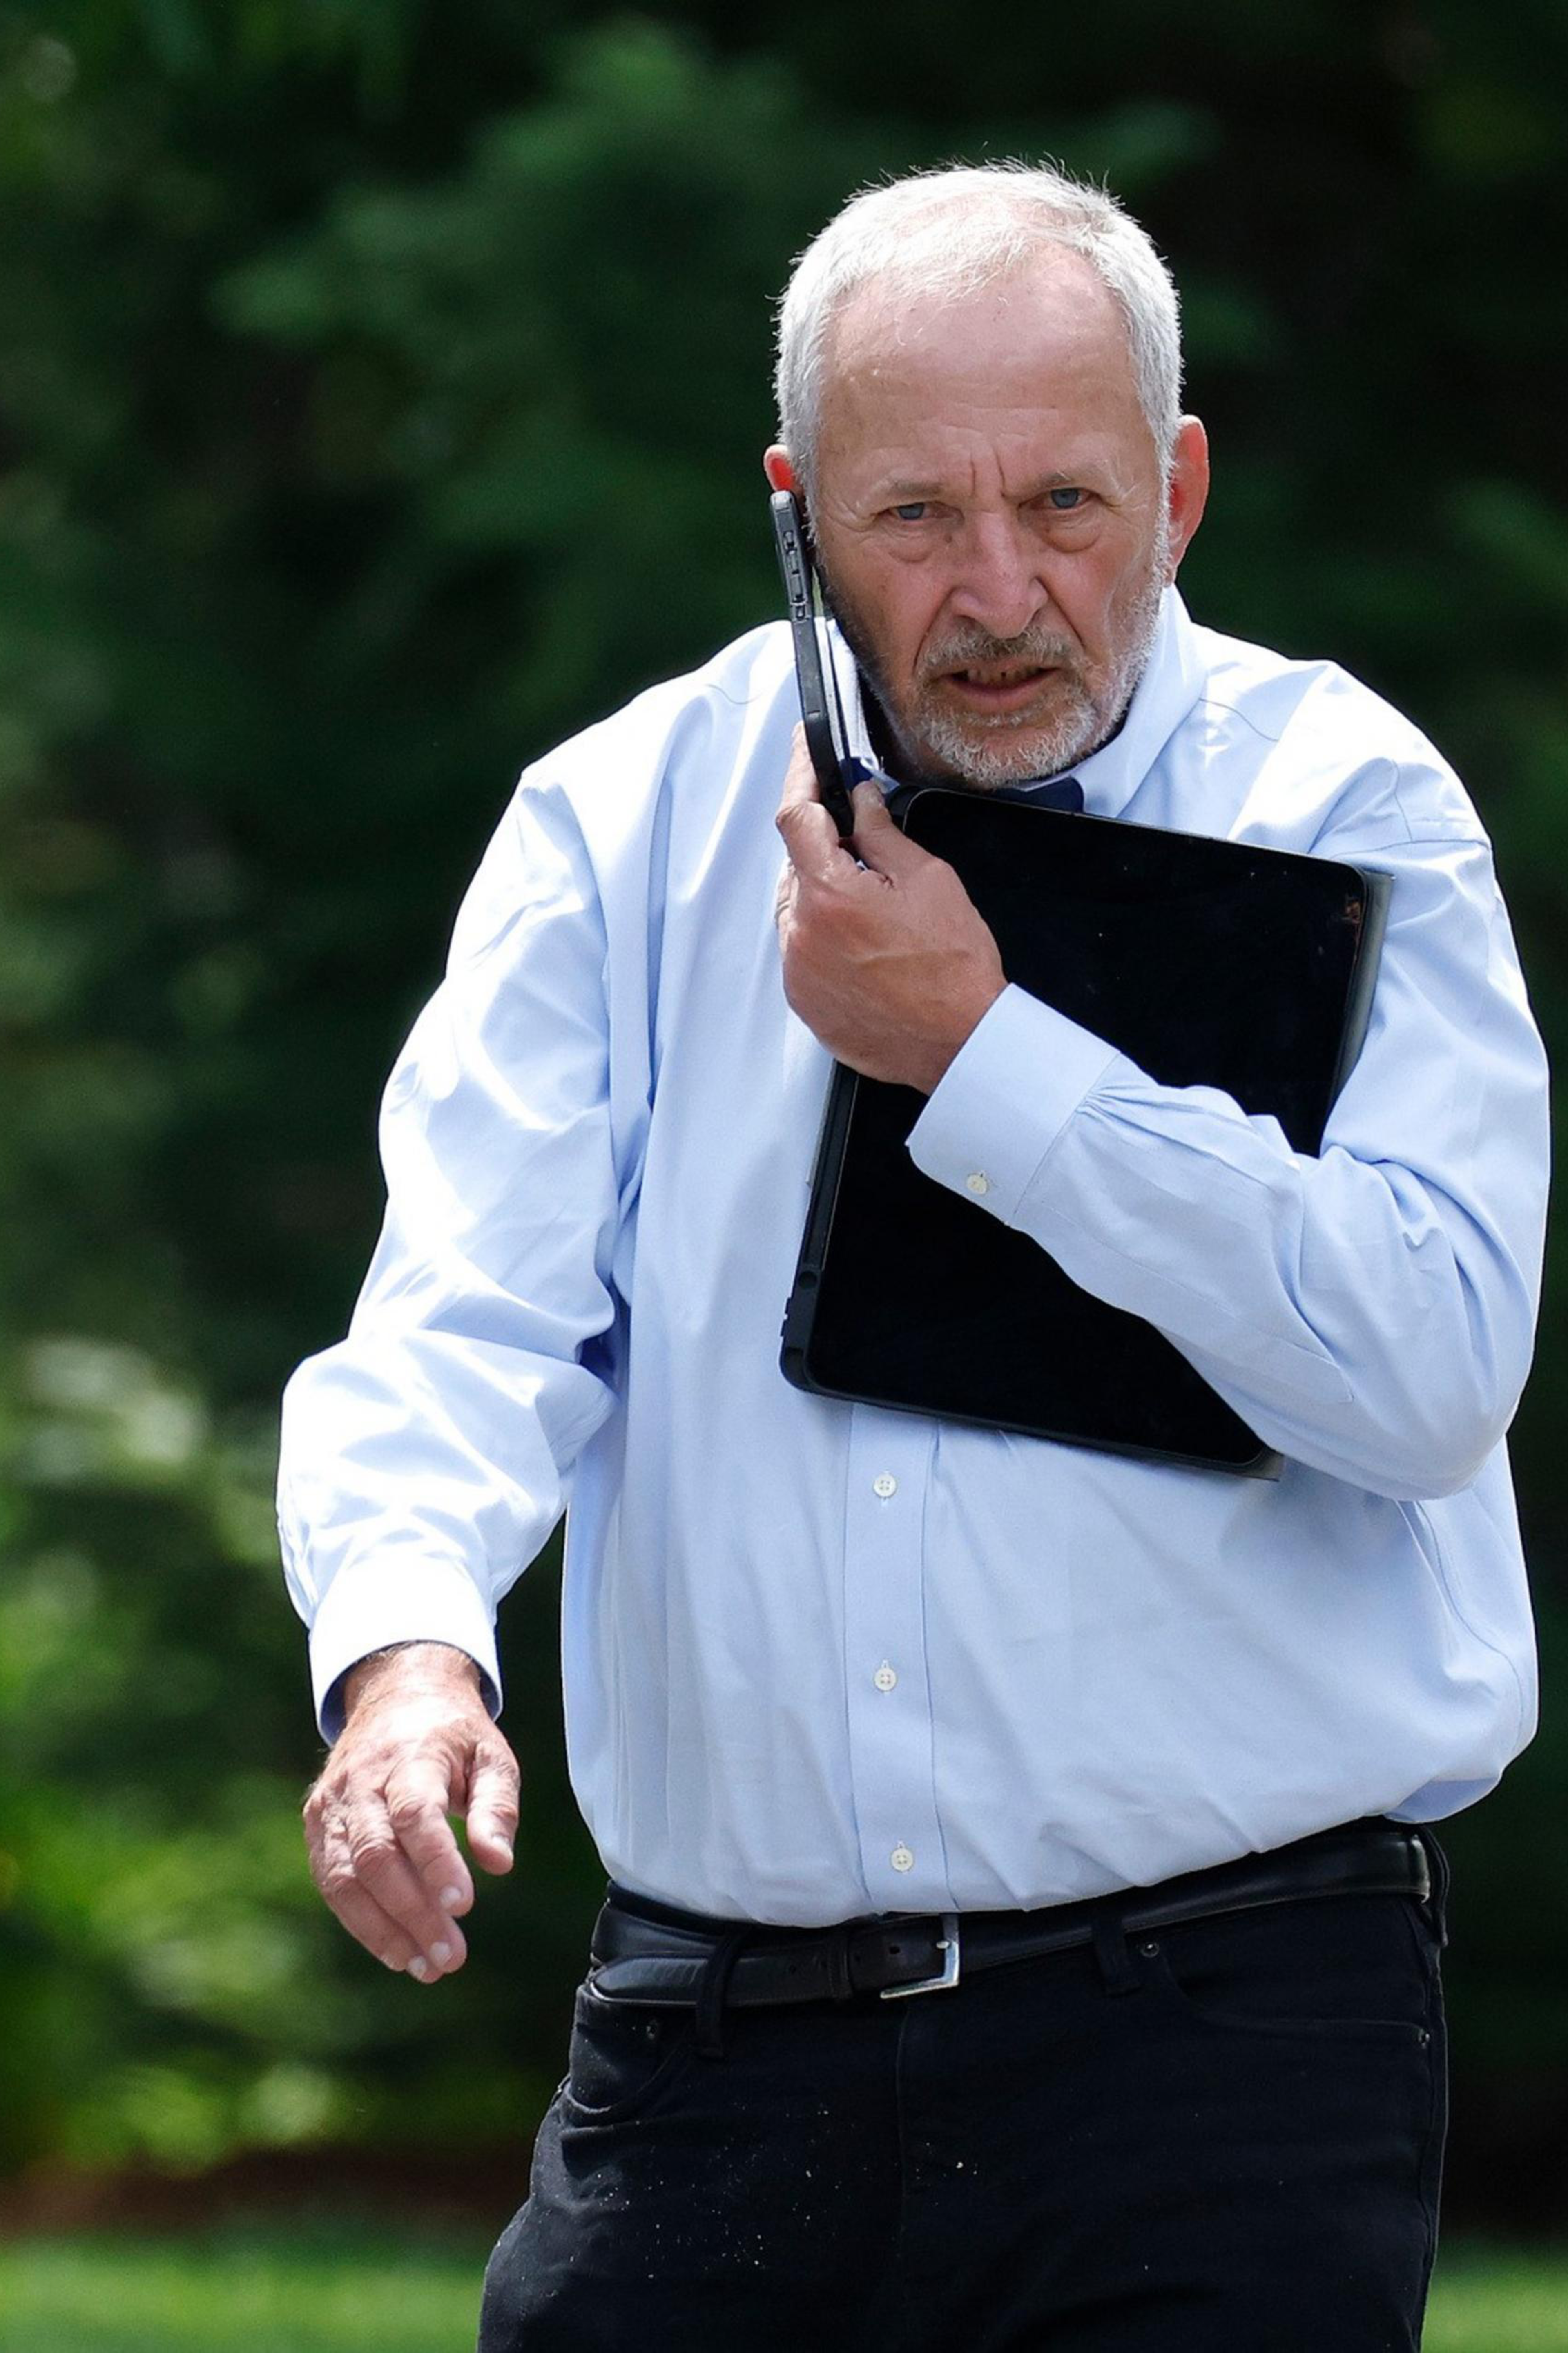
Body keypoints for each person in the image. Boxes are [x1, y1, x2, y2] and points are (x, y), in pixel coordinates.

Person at [277, 161, 1549, 2350]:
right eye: (910, 520)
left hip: (1227, 2043)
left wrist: (984, 1059)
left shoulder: (1342, 801)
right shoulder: (620, 819)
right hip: (707, 2047)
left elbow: (1432, 1368)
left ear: (1181, 485)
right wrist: (402, 1659)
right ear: (791, 507)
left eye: (1062, 508)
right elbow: (461, 1330)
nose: (996, 594)